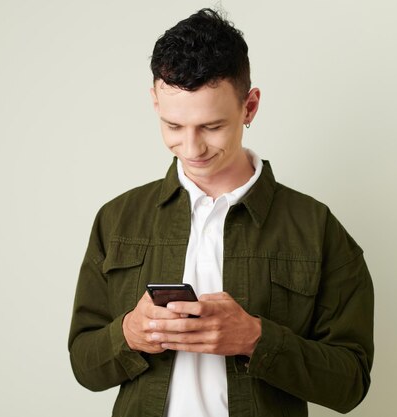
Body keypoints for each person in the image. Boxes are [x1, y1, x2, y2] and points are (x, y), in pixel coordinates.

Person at [68, 8, 373, 417]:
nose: (192, 148)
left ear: (249, 107)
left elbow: (351, 382)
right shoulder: (118, 220)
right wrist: (129, 333)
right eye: (173, 126)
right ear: (155, 101)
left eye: (211, 127)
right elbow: (84, 365)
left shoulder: (316, 227)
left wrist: (255, 339)